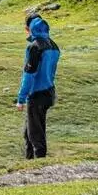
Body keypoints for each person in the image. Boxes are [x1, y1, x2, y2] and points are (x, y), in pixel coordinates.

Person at [16, 13, 60, 159]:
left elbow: (29, 74)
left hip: (37, 94)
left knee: (35, 134)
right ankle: (28, 163)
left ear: (29, 28)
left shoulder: (35, 47)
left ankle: (39, 164)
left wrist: (21, 98)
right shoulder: (53, 45)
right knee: (29, 131)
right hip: (49, 91)